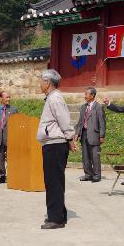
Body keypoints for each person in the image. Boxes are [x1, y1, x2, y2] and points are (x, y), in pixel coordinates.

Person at [37, 70, 76, 230]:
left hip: (55, 144)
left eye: (41, 81)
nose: (39, 84)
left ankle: (56, 218)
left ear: (48, 83)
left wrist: (70, 138)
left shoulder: (55, 99)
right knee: (54, 181)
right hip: (52, 144)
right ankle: (59, 214)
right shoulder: (52, 98)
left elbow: (65, 120)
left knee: (54, 182)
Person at [75, 87, 106, 183]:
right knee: (85, 156)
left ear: (92, 95)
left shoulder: (98, 107)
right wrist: (77, 133)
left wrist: (102, 136)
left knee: (95, 156)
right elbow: (80, 121)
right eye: (85, 94)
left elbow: (102, 122)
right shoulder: (83, 107)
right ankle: (88, 174)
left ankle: (97, 175)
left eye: (87, 94)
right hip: (84, 134)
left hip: (94, 134)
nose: (85, 96)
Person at [0, 90, 18, 184]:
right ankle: (1, 176)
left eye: (9, 97)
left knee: (11, 158)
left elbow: (17, 125)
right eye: (7, 97)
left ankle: (13, 176)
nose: (8, 99)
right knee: (0, 158)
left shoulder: (14, 110)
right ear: (1, 98)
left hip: (9, 138)